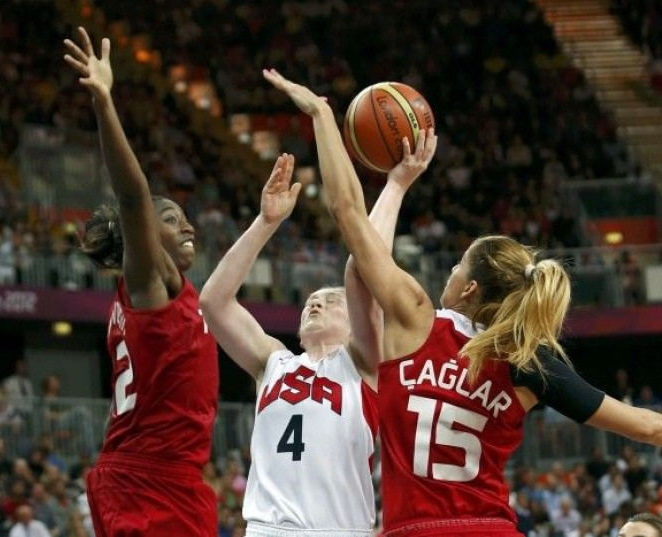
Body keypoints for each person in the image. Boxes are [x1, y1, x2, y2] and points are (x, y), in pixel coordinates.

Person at [264, 68, 662, 537]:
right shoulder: (527, 359)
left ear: (470, 288)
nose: (449, 274)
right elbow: (647, 427)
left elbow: (347, 212)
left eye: (457, 268)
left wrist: (321, 116)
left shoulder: (414, 318)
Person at [200, 139, 434, 535]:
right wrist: (266, 222)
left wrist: (396, 185)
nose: (316, 304)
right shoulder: (273, 362)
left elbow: (364, 268)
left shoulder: (364, 364)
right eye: (311, 301)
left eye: (330, 301)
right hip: (269, 529)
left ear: (355, 322)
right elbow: (213, 301)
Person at [64, 27, 218, 536]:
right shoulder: (151, 280)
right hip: (152, 481)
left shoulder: (173, 293)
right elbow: (134, 197)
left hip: (146, 474)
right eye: (171, 219)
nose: (187, 225)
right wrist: (105, 103)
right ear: (147, 234)